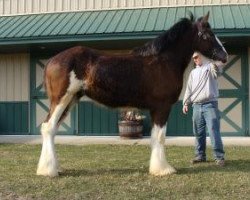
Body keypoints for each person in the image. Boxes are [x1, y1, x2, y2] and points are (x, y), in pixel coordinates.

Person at [183, 52, 225, 167]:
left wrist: (215, 64)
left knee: (213, 131)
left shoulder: (210, 67)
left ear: (202, 56)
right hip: (196, 106)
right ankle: (200, 156)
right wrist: (185, 103)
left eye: (196, 57)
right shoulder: (193, 72)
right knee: (198, 132)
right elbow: (189, 88)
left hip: (210, 104)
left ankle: (219, 157)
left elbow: (217, 73)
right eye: (193, 58)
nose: (195, 59)